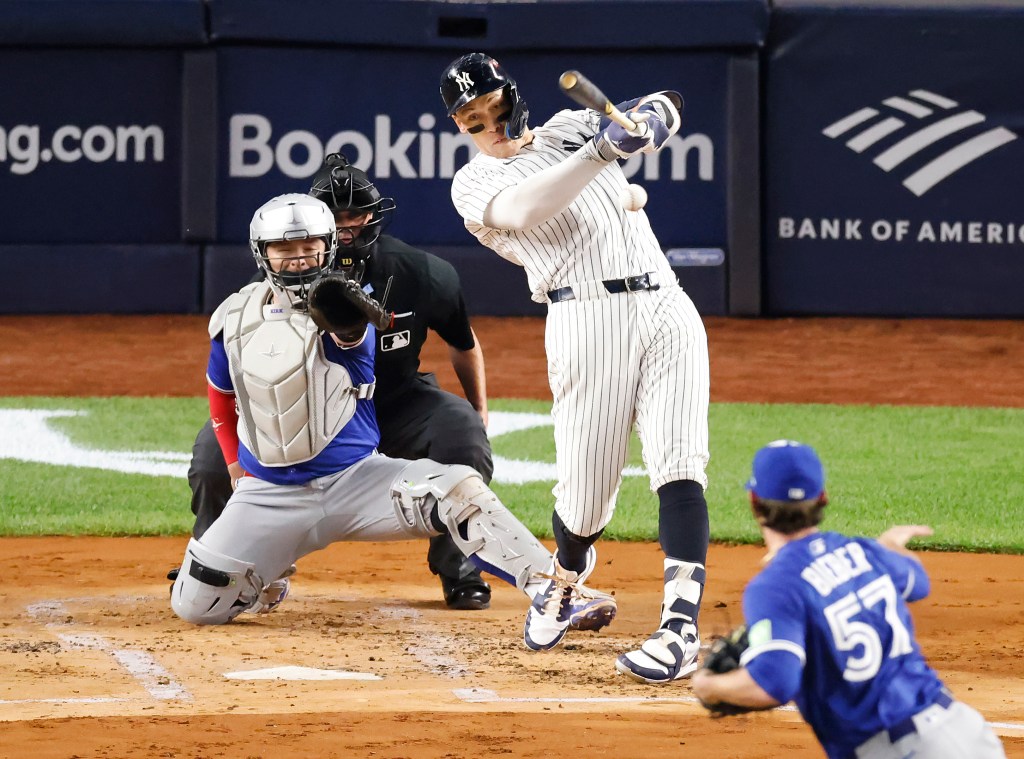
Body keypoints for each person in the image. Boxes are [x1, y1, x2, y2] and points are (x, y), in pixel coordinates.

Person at [170, 192, 616, 653]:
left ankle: (552, 589)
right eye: (285, 249)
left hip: (358, 483)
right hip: (267, 495)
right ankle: (265, 579)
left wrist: (344, 316)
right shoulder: (236, 318)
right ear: (262, 253)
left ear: (327, 247)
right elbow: (222, 397)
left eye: (309, 249)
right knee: (195, 606)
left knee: (457, 487)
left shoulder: (349, 303)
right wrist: (234, 468)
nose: (300, 260)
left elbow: (348, 334)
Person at [439, 52, 711, 675]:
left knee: (680, 462)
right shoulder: (473, 183)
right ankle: (564, 580)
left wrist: (648, 123)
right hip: (585, 320)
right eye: (473, 120)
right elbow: (526, 211)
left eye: (494, 106)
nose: (491, 125)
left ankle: (678, 629)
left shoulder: (568, 124)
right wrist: (603, 153)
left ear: (511, 94)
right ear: (462, 128)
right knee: (586, 502)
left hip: (667, 303)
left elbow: (668, 95)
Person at [185, 154, 493, 610]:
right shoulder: (272, 283)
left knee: (463, 433)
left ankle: (460, 569)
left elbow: (464, 345)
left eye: (356, 214)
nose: (347, 226)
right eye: (336, 216)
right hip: (312, 412)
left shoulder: (423, 273)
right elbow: (238, 370)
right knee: (212, 457)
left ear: (374, 215)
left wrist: (479, 410)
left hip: (398, 401)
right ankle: (216, 562)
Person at [690, 440, 1007, 759]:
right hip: (968, 733)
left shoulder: (775, 587)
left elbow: (775, 683)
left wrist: (708, 686)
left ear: (754, 502)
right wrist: (887, 549)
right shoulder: (866, 551)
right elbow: (918, 583)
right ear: (823, 499)